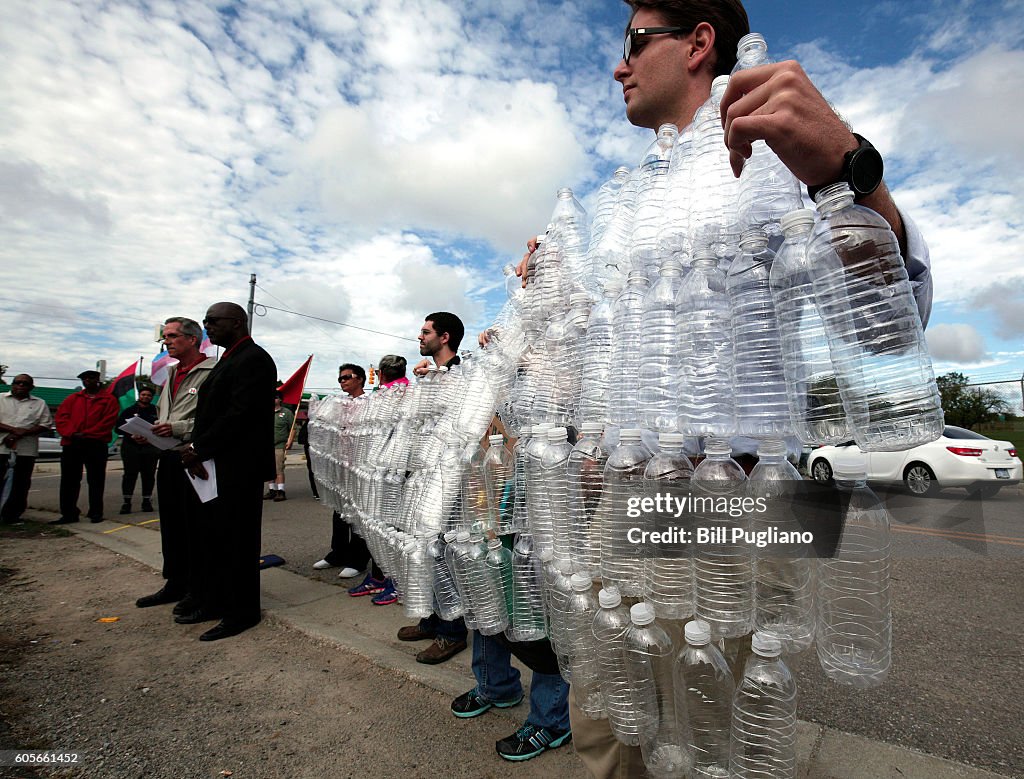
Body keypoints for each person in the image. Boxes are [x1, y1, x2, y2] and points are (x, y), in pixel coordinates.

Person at [516, 3, 932, 776]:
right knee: (608, 720)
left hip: (736, 495)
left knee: (716, 733)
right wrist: (556, 305)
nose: (619, 65)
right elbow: (618, 359)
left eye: (635, 43)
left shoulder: (776, 153)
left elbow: (890, 327)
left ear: (699, 43)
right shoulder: (634, 198)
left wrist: (848, 168)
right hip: (625, 492)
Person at [181, 302, 276, 641]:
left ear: (236, 323)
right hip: (217, 465)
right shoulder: (229, 358)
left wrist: (199, 448)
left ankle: (242, 612)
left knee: (238, 542)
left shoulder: (254, 359)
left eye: (213, 321)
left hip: (239, 467)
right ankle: (216, 601)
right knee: (215, 539)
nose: (208, 327)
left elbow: (240, 415)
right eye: (205, 321)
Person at [397, 312, 471, 664]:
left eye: (425, 331)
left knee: (442, 552)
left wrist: (439, 380)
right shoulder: (430, 376)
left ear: (444, 337)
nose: (419, 336)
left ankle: (451, 632)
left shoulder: (463, 373)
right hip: (425, 473)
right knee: (423, 548)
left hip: (450, 476)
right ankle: (431, 618)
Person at [135, 316, 217, 612]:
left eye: (171, 336)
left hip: (195, 457)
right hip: (168, 456)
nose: (166, 341)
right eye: (165, 337)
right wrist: (153, 432)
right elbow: (165, 413)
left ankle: (200, 587)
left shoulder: (213, 372)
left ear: (192, 339)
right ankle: (175, 581)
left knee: (196, 526)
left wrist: (177, 429)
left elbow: (216, 419)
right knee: (170, 523)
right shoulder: (170, 373)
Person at [313, 364, 381, 581]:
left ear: (360, 379)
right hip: (340, 465)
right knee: (339, 511)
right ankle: (338, 552)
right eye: (340, 378)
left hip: (360, 466)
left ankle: (358, 560)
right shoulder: (337, 404)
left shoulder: (370, 403)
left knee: (358, 514)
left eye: (346, 377)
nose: (342, 382)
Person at [52, 369, 120, 524]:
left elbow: (108, 421)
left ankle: (96, 512)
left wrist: (88, 434)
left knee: (96, 480)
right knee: (69, 480)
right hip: (72, 443)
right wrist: (72, 433)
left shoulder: (108, 399)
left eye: (91, 378)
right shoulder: (73, 399)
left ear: (98, 380)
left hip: (96, 444)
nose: (88, 381)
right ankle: (69, 513)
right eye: (84, 379)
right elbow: (61, 418)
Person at [0, 374, 54, 525]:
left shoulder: (39, 403)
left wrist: (23, 432)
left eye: (25, 384)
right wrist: (13, 431)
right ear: (12, 384)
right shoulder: (1, 399)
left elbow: (46, 423)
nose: (21, 386)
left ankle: (12, 516)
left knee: (21, 483)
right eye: (18, 383)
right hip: (2, 448)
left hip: (25, 450)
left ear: (31, 387)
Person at [116, 386, 159, 514]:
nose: (145, 397)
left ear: (152, 398)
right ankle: (126, 502)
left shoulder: (156, 411)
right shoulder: (129, 411)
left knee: (149, 475)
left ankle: (146, 501)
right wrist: (131, 435)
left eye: (148, 395)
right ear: (139, 396)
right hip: (131, 447)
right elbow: (118, 428)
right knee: (130, 474)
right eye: (143, 395)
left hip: (150, 447)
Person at [264, 391, 294, 502]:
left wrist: (290, 441)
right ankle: (272, 490)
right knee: (268, 469)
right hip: (267, 446)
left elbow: (292, 428)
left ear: (280, 399)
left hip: (279, 445)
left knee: (278, 469)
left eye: (275, 397)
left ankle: (281, 491)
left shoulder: (286, 413)